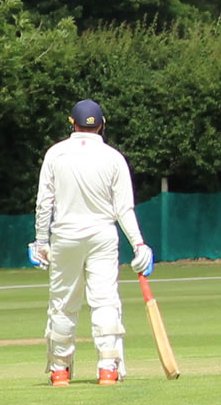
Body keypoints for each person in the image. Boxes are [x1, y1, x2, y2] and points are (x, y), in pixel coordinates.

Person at [30, 99, 155, 385]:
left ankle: (60, 369)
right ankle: (108, 367)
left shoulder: (55, 154)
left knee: (63, 302)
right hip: (102, 237)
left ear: (70, 123)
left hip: (65, 237)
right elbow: (124, 208)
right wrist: (139, 244)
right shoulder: (113, 158)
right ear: (102, 125)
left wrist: (40, 241)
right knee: (105, 300)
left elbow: (44, 203)